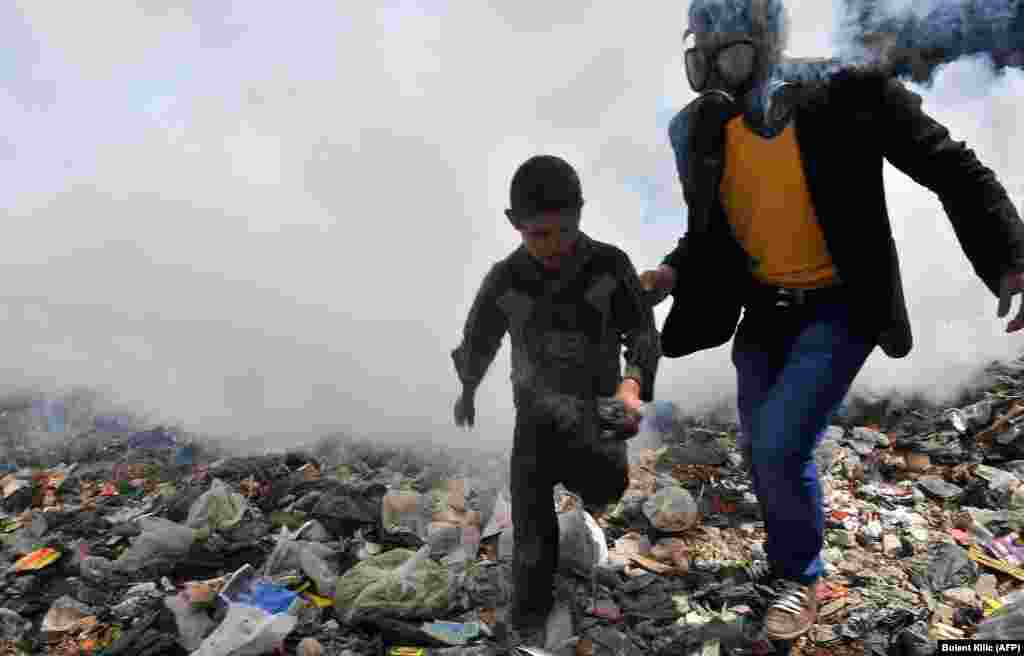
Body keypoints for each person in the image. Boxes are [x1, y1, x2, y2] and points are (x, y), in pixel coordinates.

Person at [640, 0, 1024, 641]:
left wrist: (1013, 257)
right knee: (767, 450)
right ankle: (786, 566)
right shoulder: (699, 130)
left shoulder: (849, 92)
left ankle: (800, 578)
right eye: (702, 57)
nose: (718, 74)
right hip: (763, 312)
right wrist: (669, 275)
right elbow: (709, 234)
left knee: (778, 442)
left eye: (729, 53)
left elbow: (951, 166)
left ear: (767, 41)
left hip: (842, 306)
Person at [451, 154, 661, 646]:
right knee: (529, 521)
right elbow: (479, 339)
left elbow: (644, 335)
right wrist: (467, 391)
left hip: (599, 413)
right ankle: (529, 616)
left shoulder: (609, 266)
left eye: (561, 232)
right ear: (514, 224)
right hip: (536, 418)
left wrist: (631, 389)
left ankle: (588, 499)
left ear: (579, 216)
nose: (551, 247)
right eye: (536, 235)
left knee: (606, 485)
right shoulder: (505, 279)